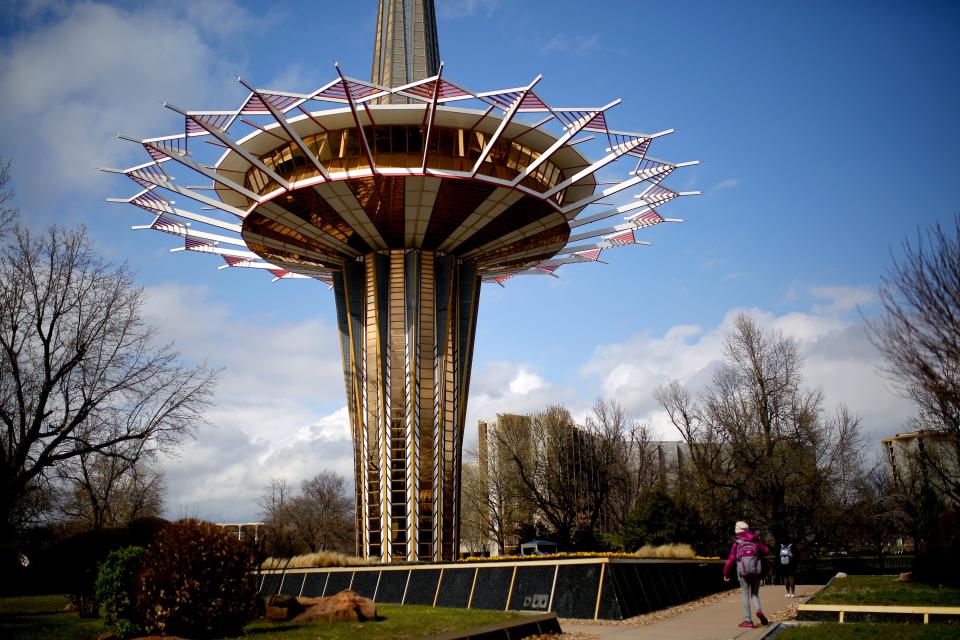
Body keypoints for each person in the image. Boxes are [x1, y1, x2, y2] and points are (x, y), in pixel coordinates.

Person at [723, 520, 770, 628]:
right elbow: (766, 551)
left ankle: (748, 621)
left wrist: (726, 573)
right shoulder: (755, 539)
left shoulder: (737, 542)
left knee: (745, 595)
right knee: (754, 594)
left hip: (743, 572)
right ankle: (759, 611)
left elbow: (731, 559)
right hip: (756, 571)